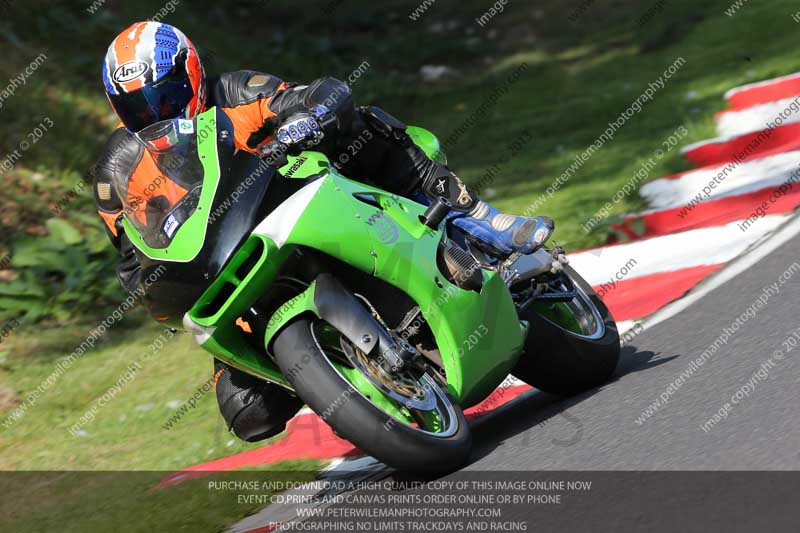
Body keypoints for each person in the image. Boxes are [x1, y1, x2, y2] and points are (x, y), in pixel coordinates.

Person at [93, 21, 554, 443]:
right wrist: (159, 287)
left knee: (364, 127)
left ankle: (475, 217)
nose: (158, 111)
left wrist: (307, 117)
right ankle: (339, 373)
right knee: (249, 412)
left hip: (303, 198)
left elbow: (319, 95)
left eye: (167, 94)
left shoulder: (234, 90)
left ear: (191, 73)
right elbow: (133, 259)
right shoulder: (119, 167)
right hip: (227, 263)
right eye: (138, 105)